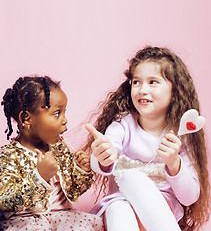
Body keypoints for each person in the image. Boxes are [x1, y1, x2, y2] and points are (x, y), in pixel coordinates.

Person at [84, 46, 210, 230]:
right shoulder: (123, 125)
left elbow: (189, 197)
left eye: (153, 82)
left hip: (160, 214)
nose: (142, 89)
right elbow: (105, 153)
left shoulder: (180, 134)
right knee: (119, 205)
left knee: (132, 177)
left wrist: (174, 163)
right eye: (136, 82)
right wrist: (104, 155)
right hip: (121, 207)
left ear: (175, 91)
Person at [0, 76, 104, 231]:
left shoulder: (59, 149)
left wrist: (82, 170)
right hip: (25, 222)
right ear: (26, 118)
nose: (65, 120)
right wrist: (40, 177)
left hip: (64, 218)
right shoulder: (8, 157)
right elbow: (5, 201)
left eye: (64, 112)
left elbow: (74, 190)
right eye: (57, 113)